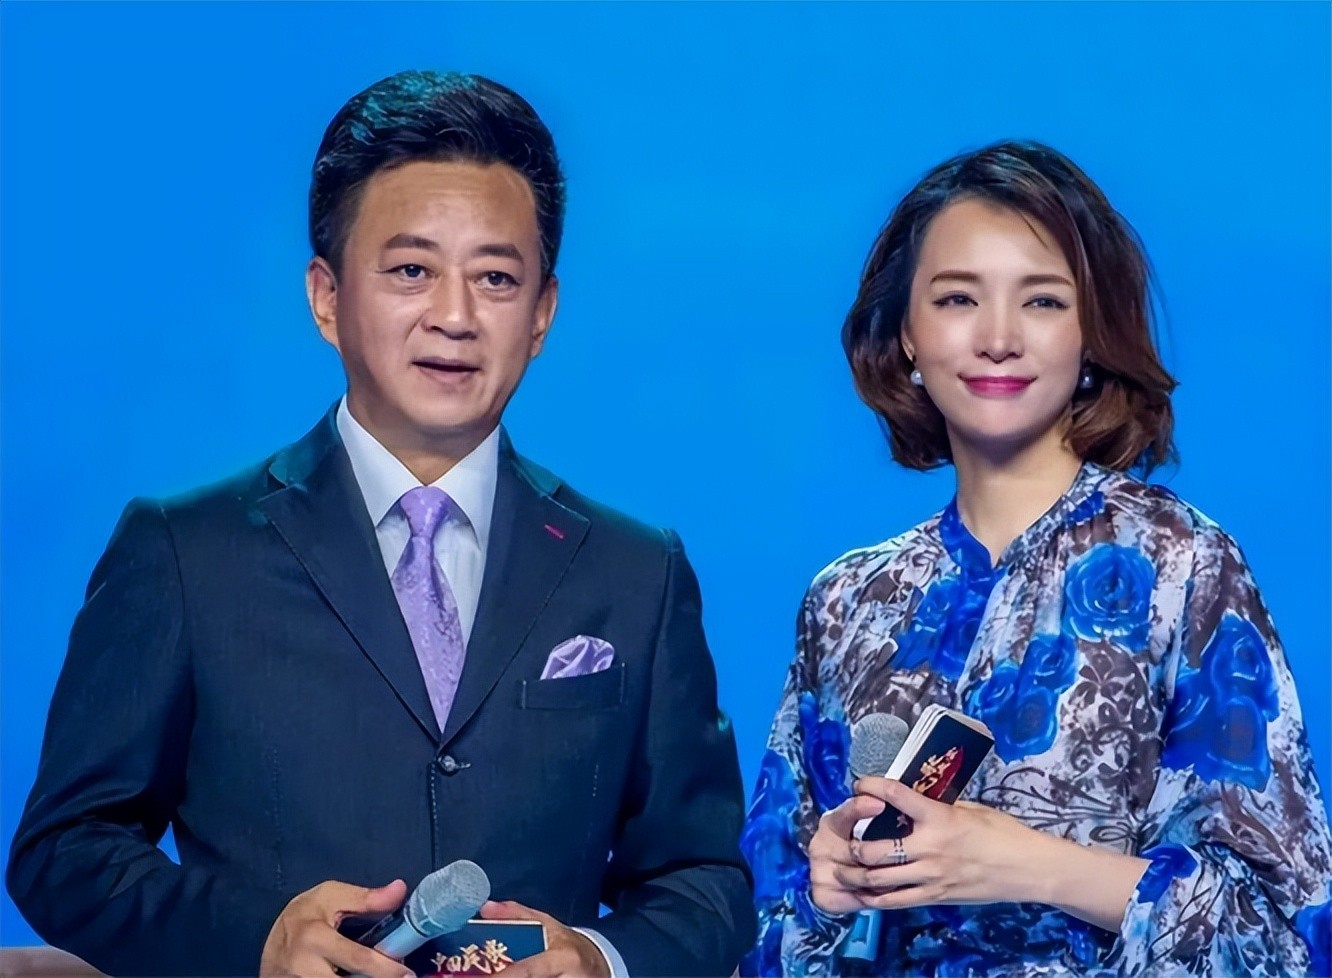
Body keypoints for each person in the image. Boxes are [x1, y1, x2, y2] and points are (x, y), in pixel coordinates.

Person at [7, 70, 755, 978]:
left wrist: (600, 958)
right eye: (411, 271)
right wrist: (256, 941)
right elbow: (67, 851)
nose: (455, 316)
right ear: (326, 298)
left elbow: (705, 881)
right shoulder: (185, 550)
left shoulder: (635, 571)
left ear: (542, 314)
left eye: (496, 277)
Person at [740, 141, 1332, 976]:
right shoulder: (846, 602)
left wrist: (1029, 866)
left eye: (1043, 301)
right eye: (958, 298)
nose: (998, 338)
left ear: (1092, 333)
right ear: (905, 333)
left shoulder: (1182, 565)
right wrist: (826, 893)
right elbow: (763, 938)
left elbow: (1285, 936)